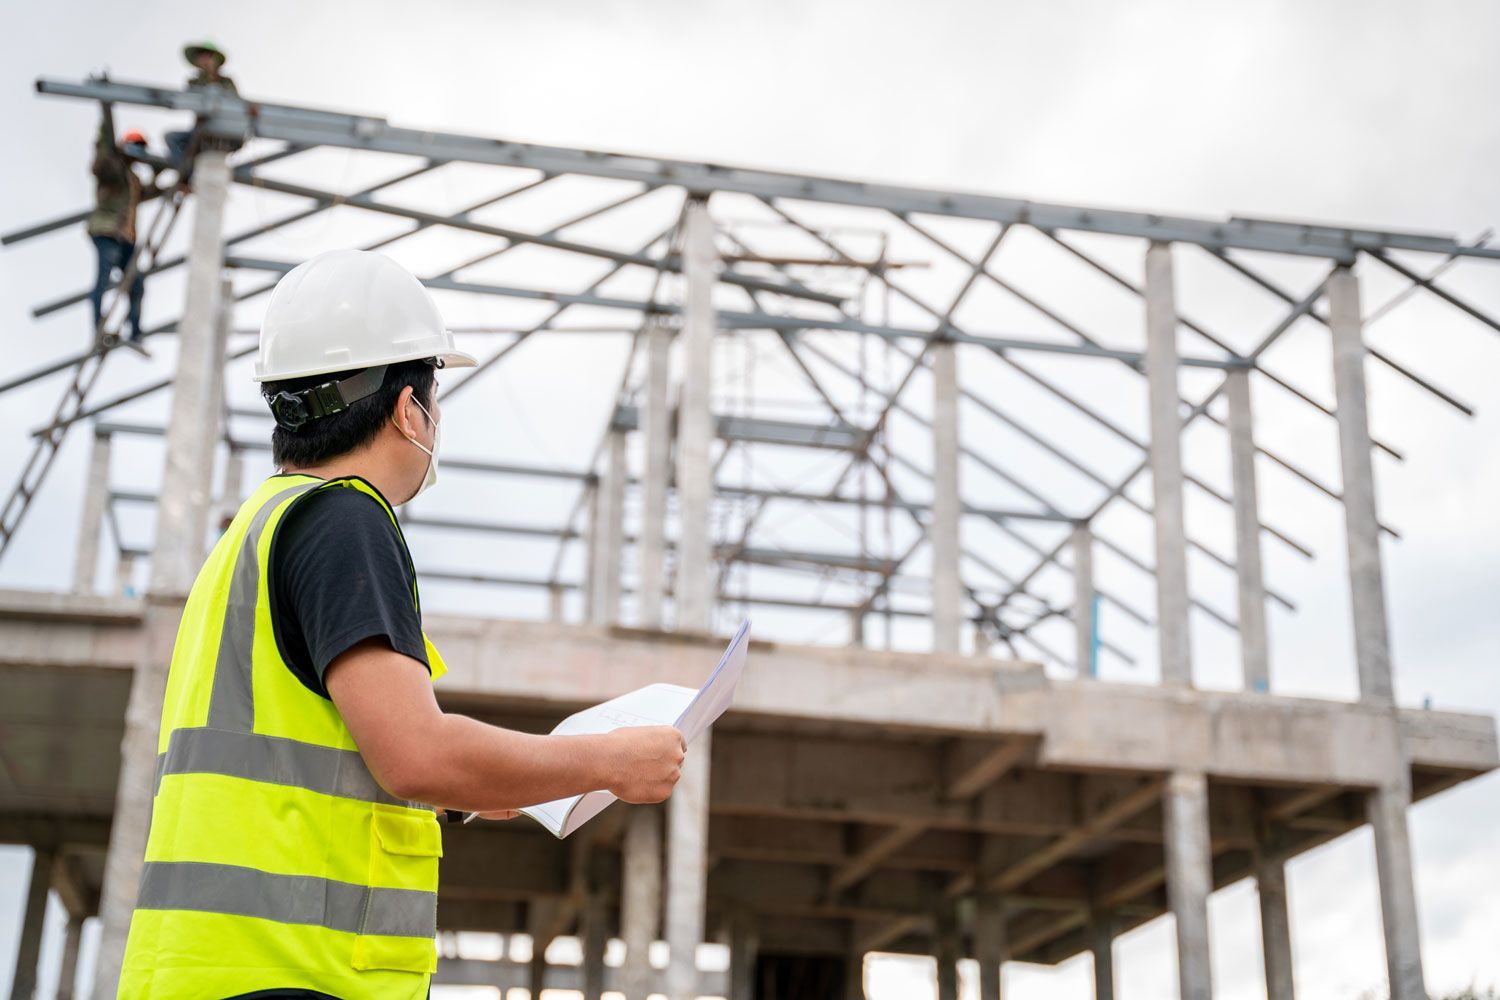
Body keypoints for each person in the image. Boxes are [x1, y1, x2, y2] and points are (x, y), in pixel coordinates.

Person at [117, 249, 686, 999]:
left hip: (210, 971)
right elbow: (414, 754)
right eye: (435, 393)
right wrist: (609, 761)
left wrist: (472, 786)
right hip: (292, 974)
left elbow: (319, 754)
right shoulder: (344, 519)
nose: (438, 418)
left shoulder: (256, 529)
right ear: (407, 409)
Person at [87, 105, 160, 345]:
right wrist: (105, 132)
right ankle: (98, 327)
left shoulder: (133, 179)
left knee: (136, 284)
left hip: (125, 236)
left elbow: (148, 193)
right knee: (103, 279)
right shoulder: (113, 168)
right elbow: (101, 162)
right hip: (107, 232)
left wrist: (162, 175)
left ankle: (136, 330)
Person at [166, 40, 241, 183]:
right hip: (201, 130)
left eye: (207, 56)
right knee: (171, 138)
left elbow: (237, 104)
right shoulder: (194, 82)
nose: (204, 60)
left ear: (215, 59)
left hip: (225, 131)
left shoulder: (226, 82)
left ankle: (190, 175)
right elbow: (189, 101)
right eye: (201, 57)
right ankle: (186, 177)